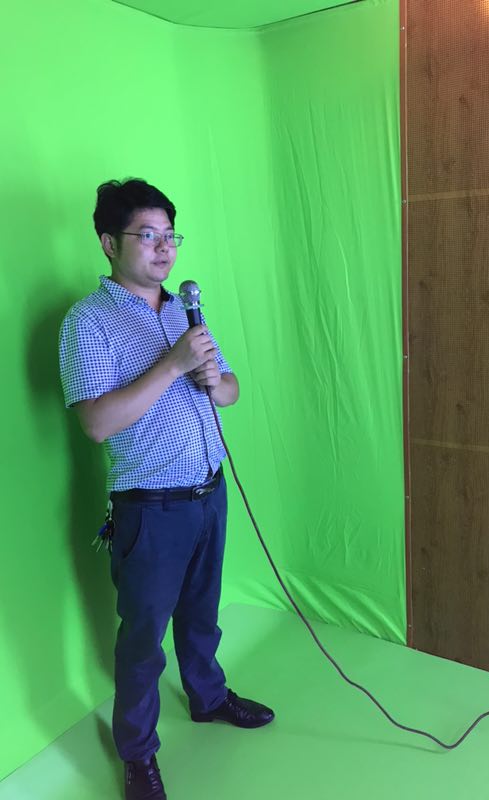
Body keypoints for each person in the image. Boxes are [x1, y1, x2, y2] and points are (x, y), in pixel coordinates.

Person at [59, 178, 274, 800]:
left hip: (210, 494)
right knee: (143, 641)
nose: (164, 249)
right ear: (109, 243)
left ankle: (208, 698)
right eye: (147, 236)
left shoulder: (184, 310)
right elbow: (96, 424)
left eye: (170, 236)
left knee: (203, 617)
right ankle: (137, 753)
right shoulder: (87, 323)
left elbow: (230, 391)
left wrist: (210, 375)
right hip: (151, 510)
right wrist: (173, 365)